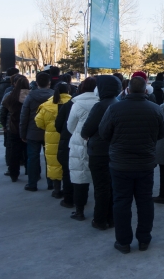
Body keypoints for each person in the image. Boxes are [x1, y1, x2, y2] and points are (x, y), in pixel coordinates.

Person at [99, 76, 164, 254]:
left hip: (120, 164)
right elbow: (161, 133)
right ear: (145, 90)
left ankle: (123, 242)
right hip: (145, 163)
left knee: (121, 202)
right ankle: (144, 239)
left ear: (127, 89)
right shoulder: (155, 109)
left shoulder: (114, 109)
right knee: (145, 202)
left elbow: (103, 133)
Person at [80, 75, 122, 230]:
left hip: (99, 152)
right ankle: (111, 217)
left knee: (101, 187)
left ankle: (100, 219)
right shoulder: (117, 103)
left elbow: (86, 130)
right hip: (114, 151)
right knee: (111, 186)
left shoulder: (101, 106)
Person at [66, 77, 99, 221]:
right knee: (99, 179)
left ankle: (79, 210)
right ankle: (100, 212)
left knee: (80, 177)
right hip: (98, 142)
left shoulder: (77, 104)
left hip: (79, 142)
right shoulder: (102, 103)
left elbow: (70, 126)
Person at [35, 82, 72, 199]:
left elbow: (39, 122)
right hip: (69, 137)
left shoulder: (46, 105)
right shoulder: (73, 103)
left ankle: (56, 190)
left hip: (52, 138)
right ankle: (70, 190)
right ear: (68, 90)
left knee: (53, 163)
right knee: (69, 164)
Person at [20, 72, 54, 191]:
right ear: (49, 83)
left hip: (33, 132)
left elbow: (24, 116)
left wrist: (22, 133)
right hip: (50, 132)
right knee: (50, 158)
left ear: (37, 83)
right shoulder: (55, 96)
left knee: (32, 158)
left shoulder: (30, 96)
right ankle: (52, 183)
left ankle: (32, 183)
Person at [2, 76, 30, 181]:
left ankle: (14, 174)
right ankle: (30, 171)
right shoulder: (31, 95)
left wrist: (4, 125)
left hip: (14, 127)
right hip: (28, 127)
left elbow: (3, 111)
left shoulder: (10, 96)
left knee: (14, 152)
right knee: (29, 151)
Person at [55, 90, 76, 208]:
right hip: (85, 142)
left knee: (67, 171)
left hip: (68, 141)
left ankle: (69, 199)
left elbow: (58, 124)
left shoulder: (69, 104)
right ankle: (79, 201)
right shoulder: (98, 104)